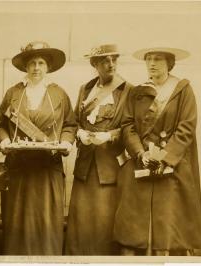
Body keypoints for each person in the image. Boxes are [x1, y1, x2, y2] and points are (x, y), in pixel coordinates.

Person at [113, 46, 201, 255]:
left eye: (158, 59)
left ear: (169, 63)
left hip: (171, 165)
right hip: (141, 163)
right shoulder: (137, 92)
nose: (152, 64)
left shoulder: (182, 90)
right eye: (149, 59)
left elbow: (186, 128)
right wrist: (141, 153)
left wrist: (162, 158)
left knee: (169, 230)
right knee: (134, 229)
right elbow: (128, 126)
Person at [0, 41, 77, 255]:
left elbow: (70, 124)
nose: (36, 68)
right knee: (16, 221)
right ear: (25, 67)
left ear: (48, 67)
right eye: (32, 63)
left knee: (46, 222)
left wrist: (66, 141)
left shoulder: (58, 94)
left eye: (41, 63)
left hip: (47, 170)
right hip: (19, 170)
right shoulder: (14, 93)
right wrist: (4, 141)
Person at [64, 44, 133, 255]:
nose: (110, 64)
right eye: (104, 60)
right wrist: (80, 134)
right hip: (85, 167)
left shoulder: (127, 90)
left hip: (110, 168)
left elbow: (131, 128)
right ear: (94, 64)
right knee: (80, 223)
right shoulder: (85, 89)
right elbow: (74, 122)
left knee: (104, 223)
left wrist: (109, 136)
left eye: (114, 59)